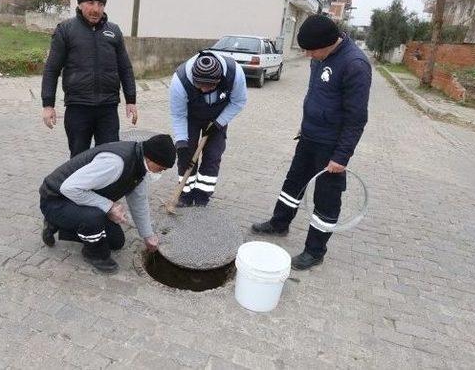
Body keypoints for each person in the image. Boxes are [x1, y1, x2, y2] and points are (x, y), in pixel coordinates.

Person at [251, 14, 371, 270]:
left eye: (310, 51)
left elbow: (356, 118)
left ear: (329, 43)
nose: (308, 56)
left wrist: (341, 156)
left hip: (331, 147)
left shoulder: (355, 65)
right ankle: (279, 223)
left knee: (326, 199)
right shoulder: (320, 57)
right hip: (308, 137)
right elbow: (319, 97)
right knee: (292, 184)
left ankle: (314, 251)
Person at [39, 134, 176, 274]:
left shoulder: (140, 166)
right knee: (93, 217)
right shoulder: (115, 163)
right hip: (56, 199)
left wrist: (148, 235)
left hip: (77, 200)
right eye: (161, 168)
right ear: (150, 158)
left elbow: (139, 201)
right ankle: (93, 254)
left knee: (116, 241)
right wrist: (109, 206)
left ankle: (59, 225)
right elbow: (69, 188)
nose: (161, 172)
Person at [41, 0, 138, 158]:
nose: (96, 9)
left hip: (108, 108)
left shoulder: (114, 31)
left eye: (101, 4)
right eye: (91, 3)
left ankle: (105, 188)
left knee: (110, 158)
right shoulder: (65, 31)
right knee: (79, 159)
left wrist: (131, 100)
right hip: (78, 108)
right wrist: (48, 105)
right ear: (80, 4)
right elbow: (51, 70)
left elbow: (125, 67)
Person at [169, 51, 247, 207]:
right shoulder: (180, 80)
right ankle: (185, 193)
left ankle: (202, 195)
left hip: (219, 116)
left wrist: (219, 123)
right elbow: (178, 115)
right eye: (200, 86)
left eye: (210, 86)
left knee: (213, 155)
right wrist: (181, 140)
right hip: (190, 117)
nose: (204, 90)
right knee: (186, 155)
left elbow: (239, 101)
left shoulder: (235, 73)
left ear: (219, 80)